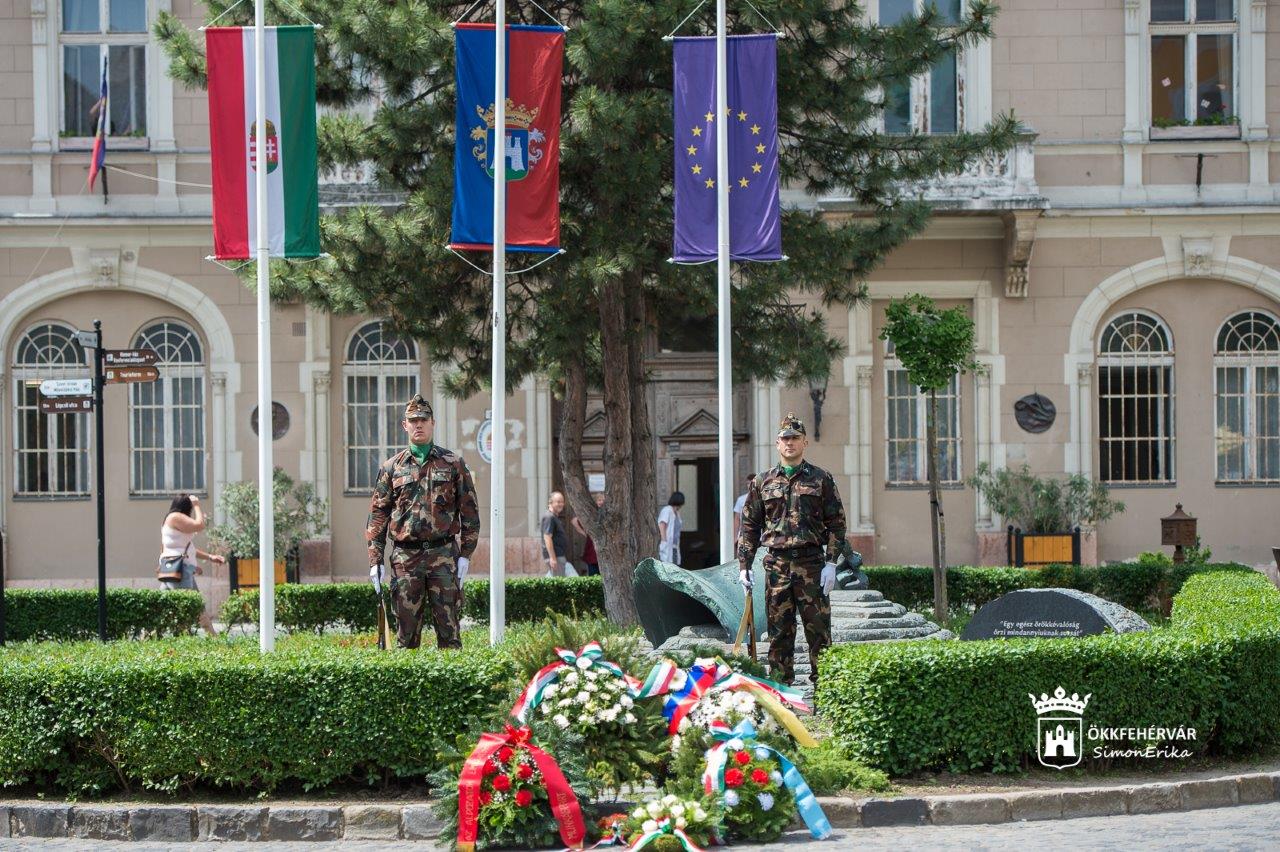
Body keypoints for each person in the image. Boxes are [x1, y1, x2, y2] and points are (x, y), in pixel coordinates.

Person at [736, 412, 854, 687]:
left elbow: (837, 523)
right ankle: (783, 696)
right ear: (777, 444)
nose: (790, 443)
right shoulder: (762, 482)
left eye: (795, 438)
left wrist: (831, 563)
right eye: (785, 438)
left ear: (804, 443)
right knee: (779, 636)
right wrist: (744, 566)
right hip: (777, 567)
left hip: (812, 566)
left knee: (820, 635)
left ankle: (826, 696)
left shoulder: (821, 479)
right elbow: (750, 526)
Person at [367, 394, 480, 650]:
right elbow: (378, 515)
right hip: (405, 560)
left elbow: (470, 513)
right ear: (404, 425)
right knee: (406, 638)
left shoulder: (453, 464)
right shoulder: (391, 468)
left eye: (424, 419)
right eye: (413, 420)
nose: (419, 424)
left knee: (450, 633)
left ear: (433, 423)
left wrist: (465, 554)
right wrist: (375, 560)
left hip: (443, 555)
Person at [158, 494, 225, 636]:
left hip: (177, 569)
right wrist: (196, 505)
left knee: (170, 606)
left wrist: (209, 557)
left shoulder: (171, 520)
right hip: (179, 570)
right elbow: (200, 525)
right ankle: (202, 637)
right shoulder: (175, 517)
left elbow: (188, 548)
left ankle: (212, 637)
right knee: (189, 606)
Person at [571, 491, 605, 576]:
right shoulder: (591, 514)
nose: (601, 502)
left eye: (603, 500)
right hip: (592, 550)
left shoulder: (607, 514)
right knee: (593, 574)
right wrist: (584, 533)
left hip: (604, 551)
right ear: (595, 502)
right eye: (599, 500)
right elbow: (574, 521)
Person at [541, 492, 571, 577]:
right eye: (558, 502)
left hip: (558, 556)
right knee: (558, 584)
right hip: (556, 557)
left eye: (562, 502)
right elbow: (547, 537)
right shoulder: (549, 517)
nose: (561, 504)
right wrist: (553, 558)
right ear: (550, 502)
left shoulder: (554, 517)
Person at [657, 491, 684, 566]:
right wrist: (664, 540)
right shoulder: (667, 510)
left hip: (674, 546)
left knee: (675, 567)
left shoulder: (677, 513)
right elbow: (662, 524)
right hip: (667, 546)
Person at [732, 474, 754, 541]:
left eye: (752, 483)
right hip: (744, 536)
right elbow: (737, 519)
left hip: (760, 537)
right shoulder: (741, 499)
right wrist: (735, 537)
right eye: (748, 483)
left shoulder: (763, 499)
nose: (749, 486)